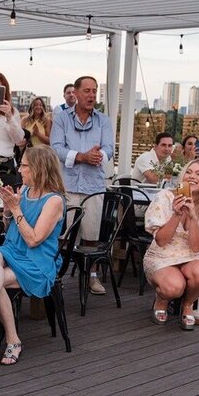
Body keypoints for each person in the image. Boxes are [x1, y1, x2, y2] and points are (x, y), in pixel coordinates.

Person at [0, 147, 66, 365]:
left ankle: (12, 339)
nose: (20, 169)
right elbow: (11, 231)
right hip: (15, 252)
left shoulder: (54, 201)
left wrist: (16, 210)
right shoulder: (24, 191)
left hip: (38, 262)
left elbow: (34, 239)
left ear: (39, 168)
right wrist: (8, 210)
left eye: (24, 165)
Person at [50, 75, 115, 294]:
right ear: (75, 93)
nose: (91, 95)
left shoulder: (103, 120)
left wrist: (98, 157)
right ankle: (54, 273)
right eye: (86, 91)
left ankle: (92, 276)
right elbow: (56, 148)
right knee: (63, 235)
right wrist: (81, 156)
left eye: (94, 91)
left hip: (93, 185)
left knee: (91, 234)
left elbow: (109, 148)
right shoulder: (61, 119)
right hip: (67, 185)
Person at [143, 159, 199, 330]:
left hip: (190, 256)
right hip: (162, 256)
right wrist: (176, 214)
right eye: (189, 172)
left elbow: (196, 247)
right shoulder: (165, 196)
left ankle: (187, 305)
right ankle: (161, 300)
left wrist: (194, 217)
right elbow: (161, 241)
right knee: (174, 287)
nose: (192, 177)